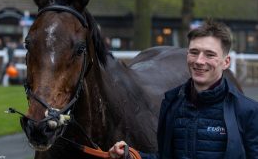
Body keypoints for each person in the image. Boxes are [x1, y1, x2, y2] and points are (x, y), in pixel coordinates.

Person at [109, 20, 258, 159]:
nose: (199, 61)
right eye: (194, 52)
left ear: (226, 62)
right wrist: (131, 155)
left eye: (209, 54)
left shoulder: (247, 112)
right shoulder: (171, 104)